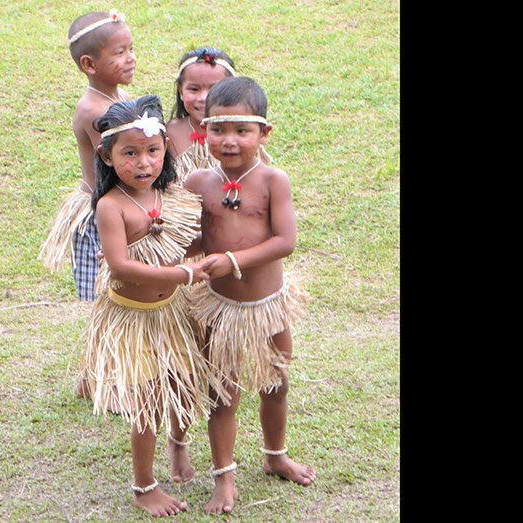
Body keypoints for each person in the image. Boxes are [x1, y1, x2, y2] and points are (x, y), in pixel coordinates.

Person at [79, 95, 231, 517]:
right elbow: (121, 266)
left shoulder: (170, 194)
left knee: (183, 385)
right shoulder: (111, 207)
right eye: (130, 153)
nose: (143, 163)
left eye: (152, 150)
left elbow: (187, 243)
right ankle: (144, 485)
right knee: (147, 404)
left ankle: (178, 443)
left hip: (173, 315)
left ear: (166, 149)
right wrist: (182, 275)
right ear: (107, 157)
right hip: (134, 318)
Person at [182, 76, 317, 515]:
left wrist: (234, 261)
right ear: (204, 131)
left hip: (268, 307)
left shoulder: (273, 180)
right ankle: (224, 477)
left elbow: (285, 241)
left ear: (264, 133)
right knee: (222, 394)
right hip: (219, 309)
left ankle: (275, 455)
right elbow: (187, 242)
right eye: (218, 129)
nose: (229, 140)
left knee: (276, 383)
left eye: (242, 130)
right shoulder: (198, 183)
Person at [38, 8, 136, 301]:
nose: (130, 58)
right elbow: (120, 166)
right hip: (102, 212)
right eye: (119, 53)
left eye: (131, 49)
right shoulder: (95, 111)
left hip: (123, 205)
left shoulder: (120, 98)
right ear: (89, 64)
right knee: (105, 297)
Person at [165, 47, 237, 183]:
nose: (204, 97)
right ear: (181, 91)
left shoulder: (242, 133)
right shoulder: (168, 133)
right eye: (194, 89)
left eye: (214, 89)